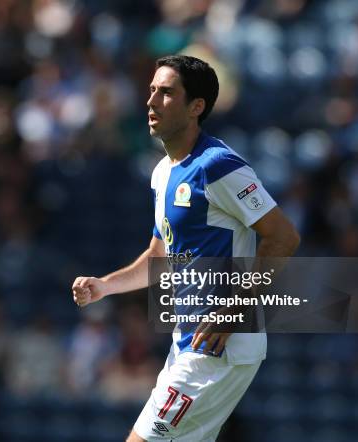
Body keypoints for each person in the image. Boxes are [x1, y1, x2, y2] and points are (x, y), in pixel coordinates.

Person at [72, 55, 300, 442]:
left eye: (166, 93)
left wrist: (236, 308)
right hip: (189, 342)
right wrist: (105, 285)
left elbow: (283, 237)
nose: (151, 102)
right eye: (151, 91)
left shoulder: (218, 165)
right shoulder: (163, 172)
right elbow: (159, 256)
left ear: (196, 107)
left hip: (219, 345)